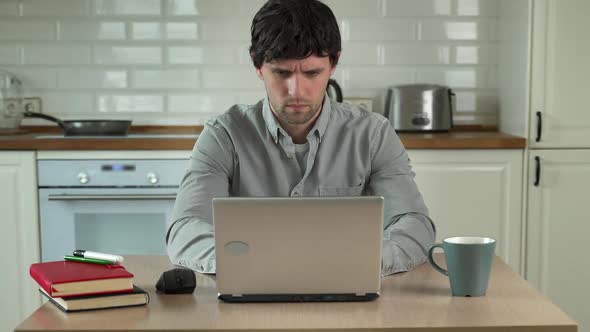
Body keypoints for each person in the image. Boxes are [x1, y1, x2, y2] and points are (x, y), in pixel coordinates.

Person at [166, 0, 435, 276]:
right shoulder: (224, 136)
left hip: (349, 288)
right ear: (258, 66)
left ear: (333, 64)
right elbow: (186, 227)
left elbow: (414, 224)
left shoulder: (373, 134)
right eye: (281, 73)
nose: (296, 90)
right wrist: (245, 263)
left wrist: (366, 260)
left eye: (312, 73)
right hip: (250, 291)